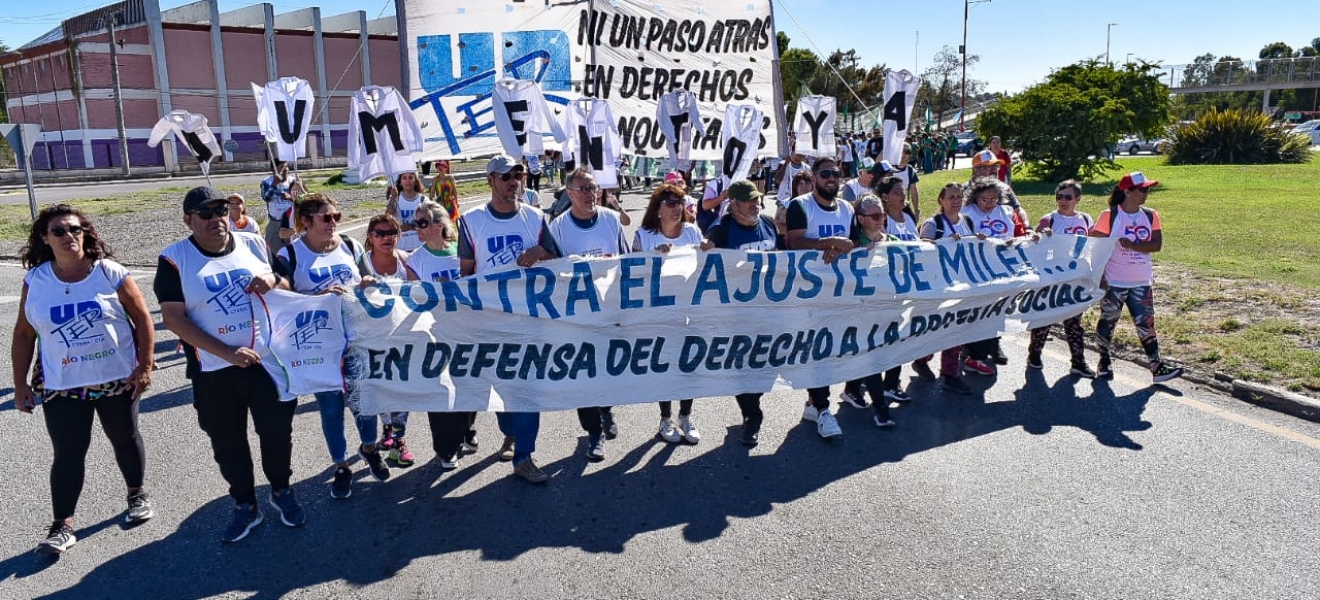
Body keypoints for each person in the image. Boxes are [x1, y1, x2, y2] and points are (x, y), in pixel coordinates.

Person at [155, 186, 303, 543]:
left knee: (277, 433)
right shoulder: (174, 259)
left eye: (220, 210)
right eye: (204, 213)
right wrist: (226, 352)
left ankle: (281, 490)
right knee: (228, 442)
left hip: (268, 364)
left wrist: (272, 279)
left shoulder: (252, 243)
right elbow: (174, 320)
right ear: (188, 219)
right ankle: (245, 504)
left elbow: (285, 282)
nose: (215, 219)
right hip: (215, 371)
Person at [12, 204, 155, 555]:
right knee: (68, 453)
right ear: (45, 238)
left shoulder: (108, 272)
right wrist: (19, 384)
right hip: (62, 382)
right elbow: (24, 334)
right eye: (59, 231)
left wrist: (146, 365)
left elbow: (143, 319)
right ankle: (62, 525)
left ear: (85, 233)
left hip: (115, 378)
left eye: (75, 229)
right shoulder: (36, 280)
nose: (69, 236)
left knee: (124, 436)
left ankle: (136, 493)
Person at [455, 154, 562, 483]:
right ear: (490, 181)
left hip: (528, 319)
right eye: (505, 176)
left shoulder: (535, 218)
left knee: (527, 390)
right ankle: (510, 431)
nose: (514, 181)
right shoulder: (471, 221)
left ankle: (525, 457)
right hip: (490, 321)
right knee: (501, 390)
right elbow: (466, 274)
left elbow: (558, 258)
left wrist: (539, 253)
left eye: (519, 174)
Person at [275, 193, 390, 499]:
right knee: (330, 409)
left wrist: (368, 283)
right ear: (305, 221)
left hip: (356, 341)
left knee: (365, 402)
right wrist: (319, 297)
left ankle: (369, 448)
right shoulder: (291, 255)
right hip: (318, 348)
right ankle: (341, 465)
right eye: (326, 218)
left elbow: (367, 277)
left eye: (336, 216)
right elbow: (282, 301)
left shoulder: (350, 245)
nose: (333, 223)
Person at [549, 168, 629, 460]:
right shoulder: (558, 227)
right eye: (583, 189)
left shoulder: (610, 219)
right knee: (583, 375)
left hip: (608, 311)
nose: (590, 194)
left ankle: (606, 409)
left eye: (593, 188)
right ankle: (593, 433)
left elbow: (625, 262)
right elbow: (553, 273)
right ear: (569, 194)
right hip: (577, 315)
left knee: (606, 369)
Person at [704, 180, 783, 445]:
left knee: (768, 368)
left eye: (758, 198)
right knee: (742, 371)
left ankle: (753, 405)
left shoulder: (769, 224)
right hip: (737, 317)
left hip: (770, 313)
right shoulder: (721, 231)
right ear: (733, 205)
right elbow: (704, 266)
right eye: (749, 200)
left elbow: (785, 259)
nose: (756, 203)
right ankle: (752, 417)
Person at [785, 156, 857, 440]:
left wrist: (840, 247)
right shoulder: (800, 206)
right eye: (825, 173)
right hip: (808, 294)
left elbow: (853, 244)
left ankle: (814, 404)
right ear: (813, 177)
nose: (831, 178)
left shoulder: (848, 208)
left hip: (840, 292)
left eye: (836, 174)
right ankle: (824, 409)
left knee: (832, 349)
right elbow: (795, 241)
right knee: (817, 351)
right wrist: (830, 243)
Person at [632, 183, 709, 444]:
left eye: (680, 202)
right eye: (671, 203)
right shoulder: (645, 236)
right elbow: (631, 274)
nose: (677, 208)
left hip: (689, 312)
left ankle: (685, 416)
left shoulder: (692, 232)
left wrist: (709, 251)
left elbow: (705, 269)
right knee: (664, 367)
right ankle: (665, 418)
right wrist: (651, 257)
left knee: (688, 367)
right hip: (658, 315)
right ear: (658, 209)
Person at [1090, 172, 1184, 383]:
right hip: (1114, 281)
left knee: (1147, 324)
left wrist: (1132, 245)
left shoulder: (1151, 215)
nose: (1146, 193)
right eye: (1142, 189)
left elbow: (1156, 245)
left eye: (1147, 189)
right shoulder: (1110, 216)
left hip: (1141, 281)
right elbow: (1097, 249)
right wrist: (1101, 276)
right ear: (1127, 191)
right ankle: (1104, 361)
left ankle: (1157, 367)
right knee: (1108, 321)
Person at [405, 201, 477, 470]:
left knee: (470, 386)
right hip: (435, 334)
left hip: (468, 330)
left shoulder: (462, 252)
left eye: (422, 223)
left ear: (439, 224)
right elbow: (413, 300)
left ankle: (466, 429)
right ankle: (446, 448)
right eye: (415, 223)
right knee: (440, 391)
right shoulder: (415, 260)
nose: (417, 228)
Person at [359, 214, 418, 467]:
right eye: (380, 233)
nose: (386, 238)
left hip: (402, 339)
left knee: (402, 391)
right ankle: (388, 431)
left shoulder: (407, 261)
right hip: (370, 340)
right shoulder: (360, 265)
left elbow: (421, 297)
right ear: (370, 237)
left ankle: (398, 439)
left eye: (392, 232)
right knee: (380, 390)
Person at [961, 177, 1033, 376]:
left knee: (999, 310)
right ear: (975, 197)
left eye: (993, 199)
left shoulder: (1007, 211)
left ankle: (993, 345)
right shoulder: (966, 214)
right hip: (977, 272)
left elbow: (1020, 234)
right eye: (985, 199)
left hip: (1003, 270)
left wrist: (1018, 239)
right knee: (979, 313)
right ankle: (974, 353)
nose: (989, 203)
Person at [913, 183, 978, 395]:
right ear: (941, 200)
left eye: (959, 196)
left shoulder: (967, 221)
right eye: (951, 197)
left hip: (962, 286)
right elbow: (921, 250)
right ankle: (921, 359)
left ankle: (950, 374)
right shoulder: (934, 224)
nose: (956, 200)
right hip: (938, 287)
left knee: (955, 331)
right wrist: (945, 244)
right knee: (935, 330)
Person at [1028, 180, 1097, 378]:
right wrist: (1041, 236)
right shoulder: (1050, 219)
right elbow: (1034, 243)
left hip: (1075, 278)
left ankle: (1078, 361)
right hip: (1053, 278)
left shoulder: (1084, 219)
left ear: (1078, 199)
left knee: (1074, 321)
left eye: (1068, 197)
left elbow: (1093, 243)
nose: (1063, 201)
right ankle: (1035, 353)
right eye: (1059, 196)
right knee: (1045, 318)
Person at [260, 160, 297, 261]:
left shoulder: (293, 181)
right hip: (275, 223)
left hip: (291, 223)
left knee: (294, 254)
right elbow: (266, 197)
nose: (286, 170)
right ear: (273, 169)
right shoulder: (266, 182)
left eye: (287, 167)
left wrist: (290, 197)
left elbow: (302, 200)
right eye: (281, 167)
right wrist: (275, 184)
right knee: (280, 253)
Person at [386, 171, 427, 252]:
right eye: (404, 178)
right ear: (400, 182)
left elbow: (429, 223)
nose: (407, 181)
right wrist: (393, 198)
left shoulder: (423, 200)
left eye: (411, 178)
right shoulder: (395, 198)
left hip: (420, 246)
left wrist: (411, 227)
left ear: (415, 181)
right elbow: (388, 216)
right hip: (401, 247)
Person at [426, 159, 460, 224]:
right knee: (442, 221)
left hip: (450, 203)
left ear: (445, 168)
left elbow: (455, 190)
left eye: (442, 166)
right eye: (438, 167)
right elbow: (432, 192)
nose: (440, 168)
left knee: (452, 221)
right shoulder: (435, 179)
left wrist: (457, 201)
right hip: (440, 203)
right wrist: (430, 203)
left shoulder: (450, 177)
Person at [893, 145, 922, 218]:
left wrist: (916, 210)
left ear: (910, 156)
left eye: (906, 152)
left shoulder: (910, 170)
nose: (903, 155)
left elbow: (914, 191)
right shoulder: (889, 168)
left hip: (903, 205)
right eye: (900, 152)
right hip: (889, 206)